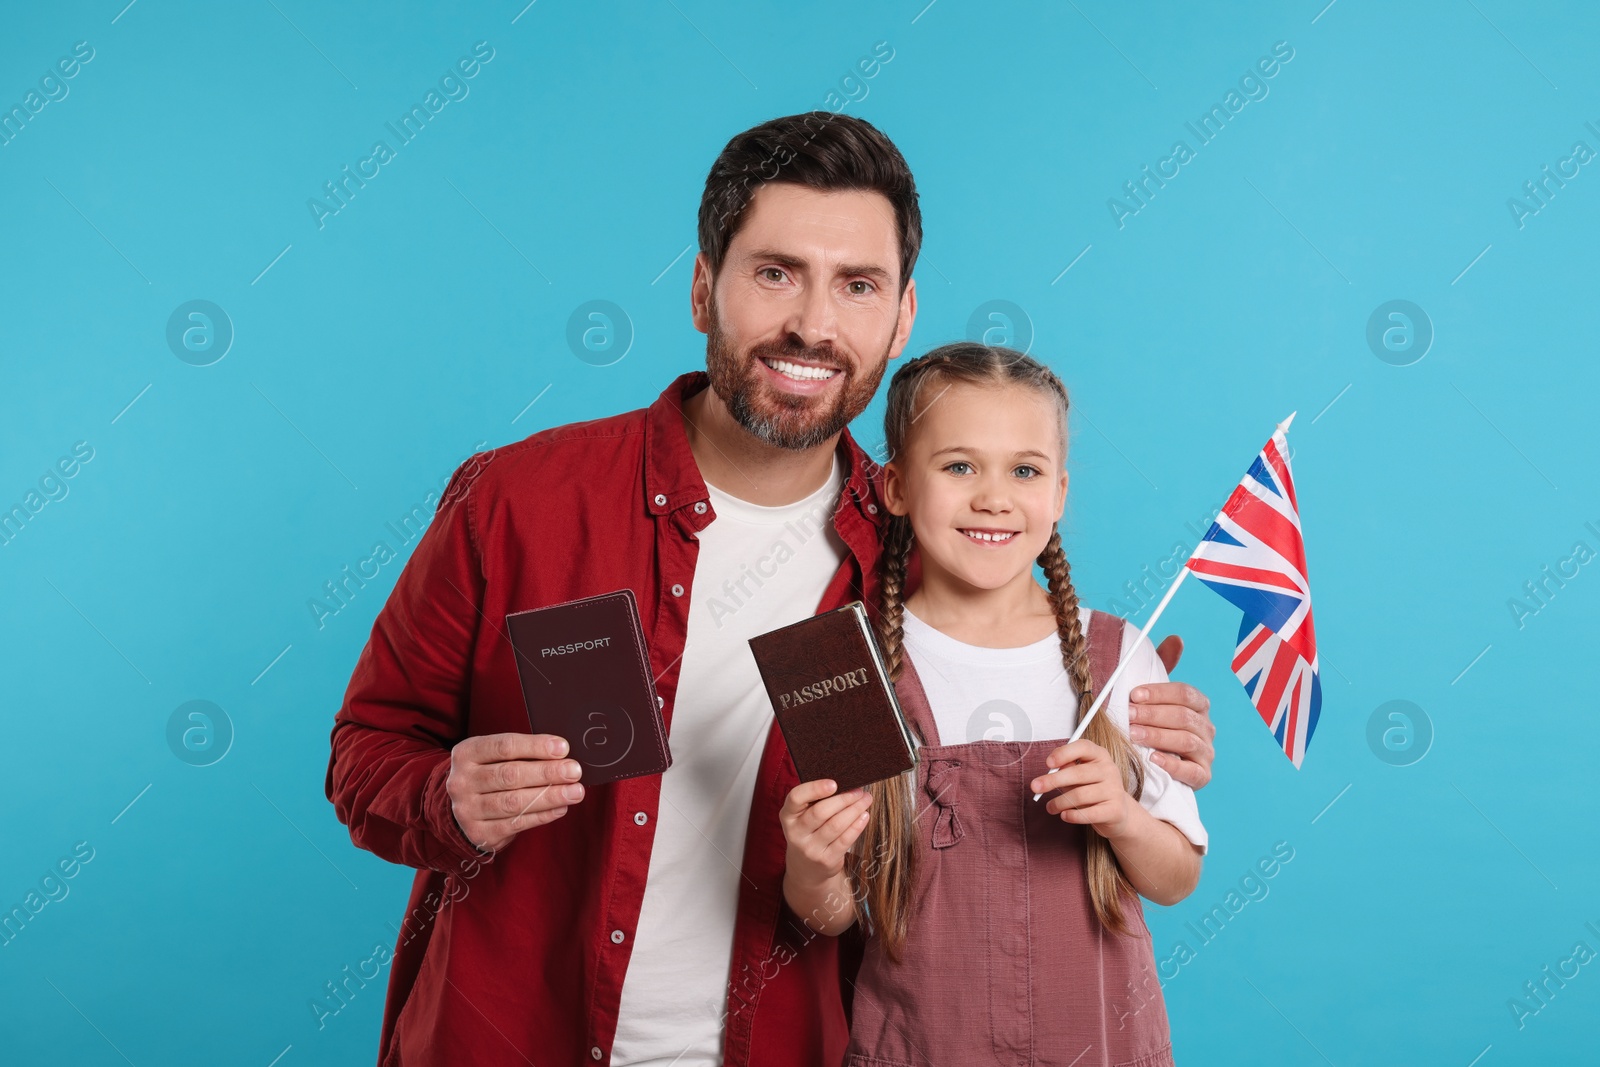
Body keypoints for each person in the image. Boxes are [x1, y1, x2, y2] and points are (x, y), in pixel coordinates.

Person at [325, 112, 1218, 1067]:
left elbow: (1019, 781)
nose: (814, 325)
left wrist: (1142, 732)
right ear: (704, 288)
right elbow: (367, 752)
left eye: (858, 285)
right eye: (775, 272)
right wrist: (444, 798)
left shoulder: (923, 568)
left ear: (903, 315)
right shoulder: (520, 499)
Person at [779, 342, 1206, 1065]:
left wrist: (1124, 816)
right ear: (897, 487)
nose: (994, 497)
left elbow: (1177, 878)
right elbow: (835, 914)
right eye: (958, 466)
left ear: (1060, 492)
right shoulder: (844, 668)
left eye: (1025, 470)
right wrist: (810, 865)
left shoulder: (1118, 655)